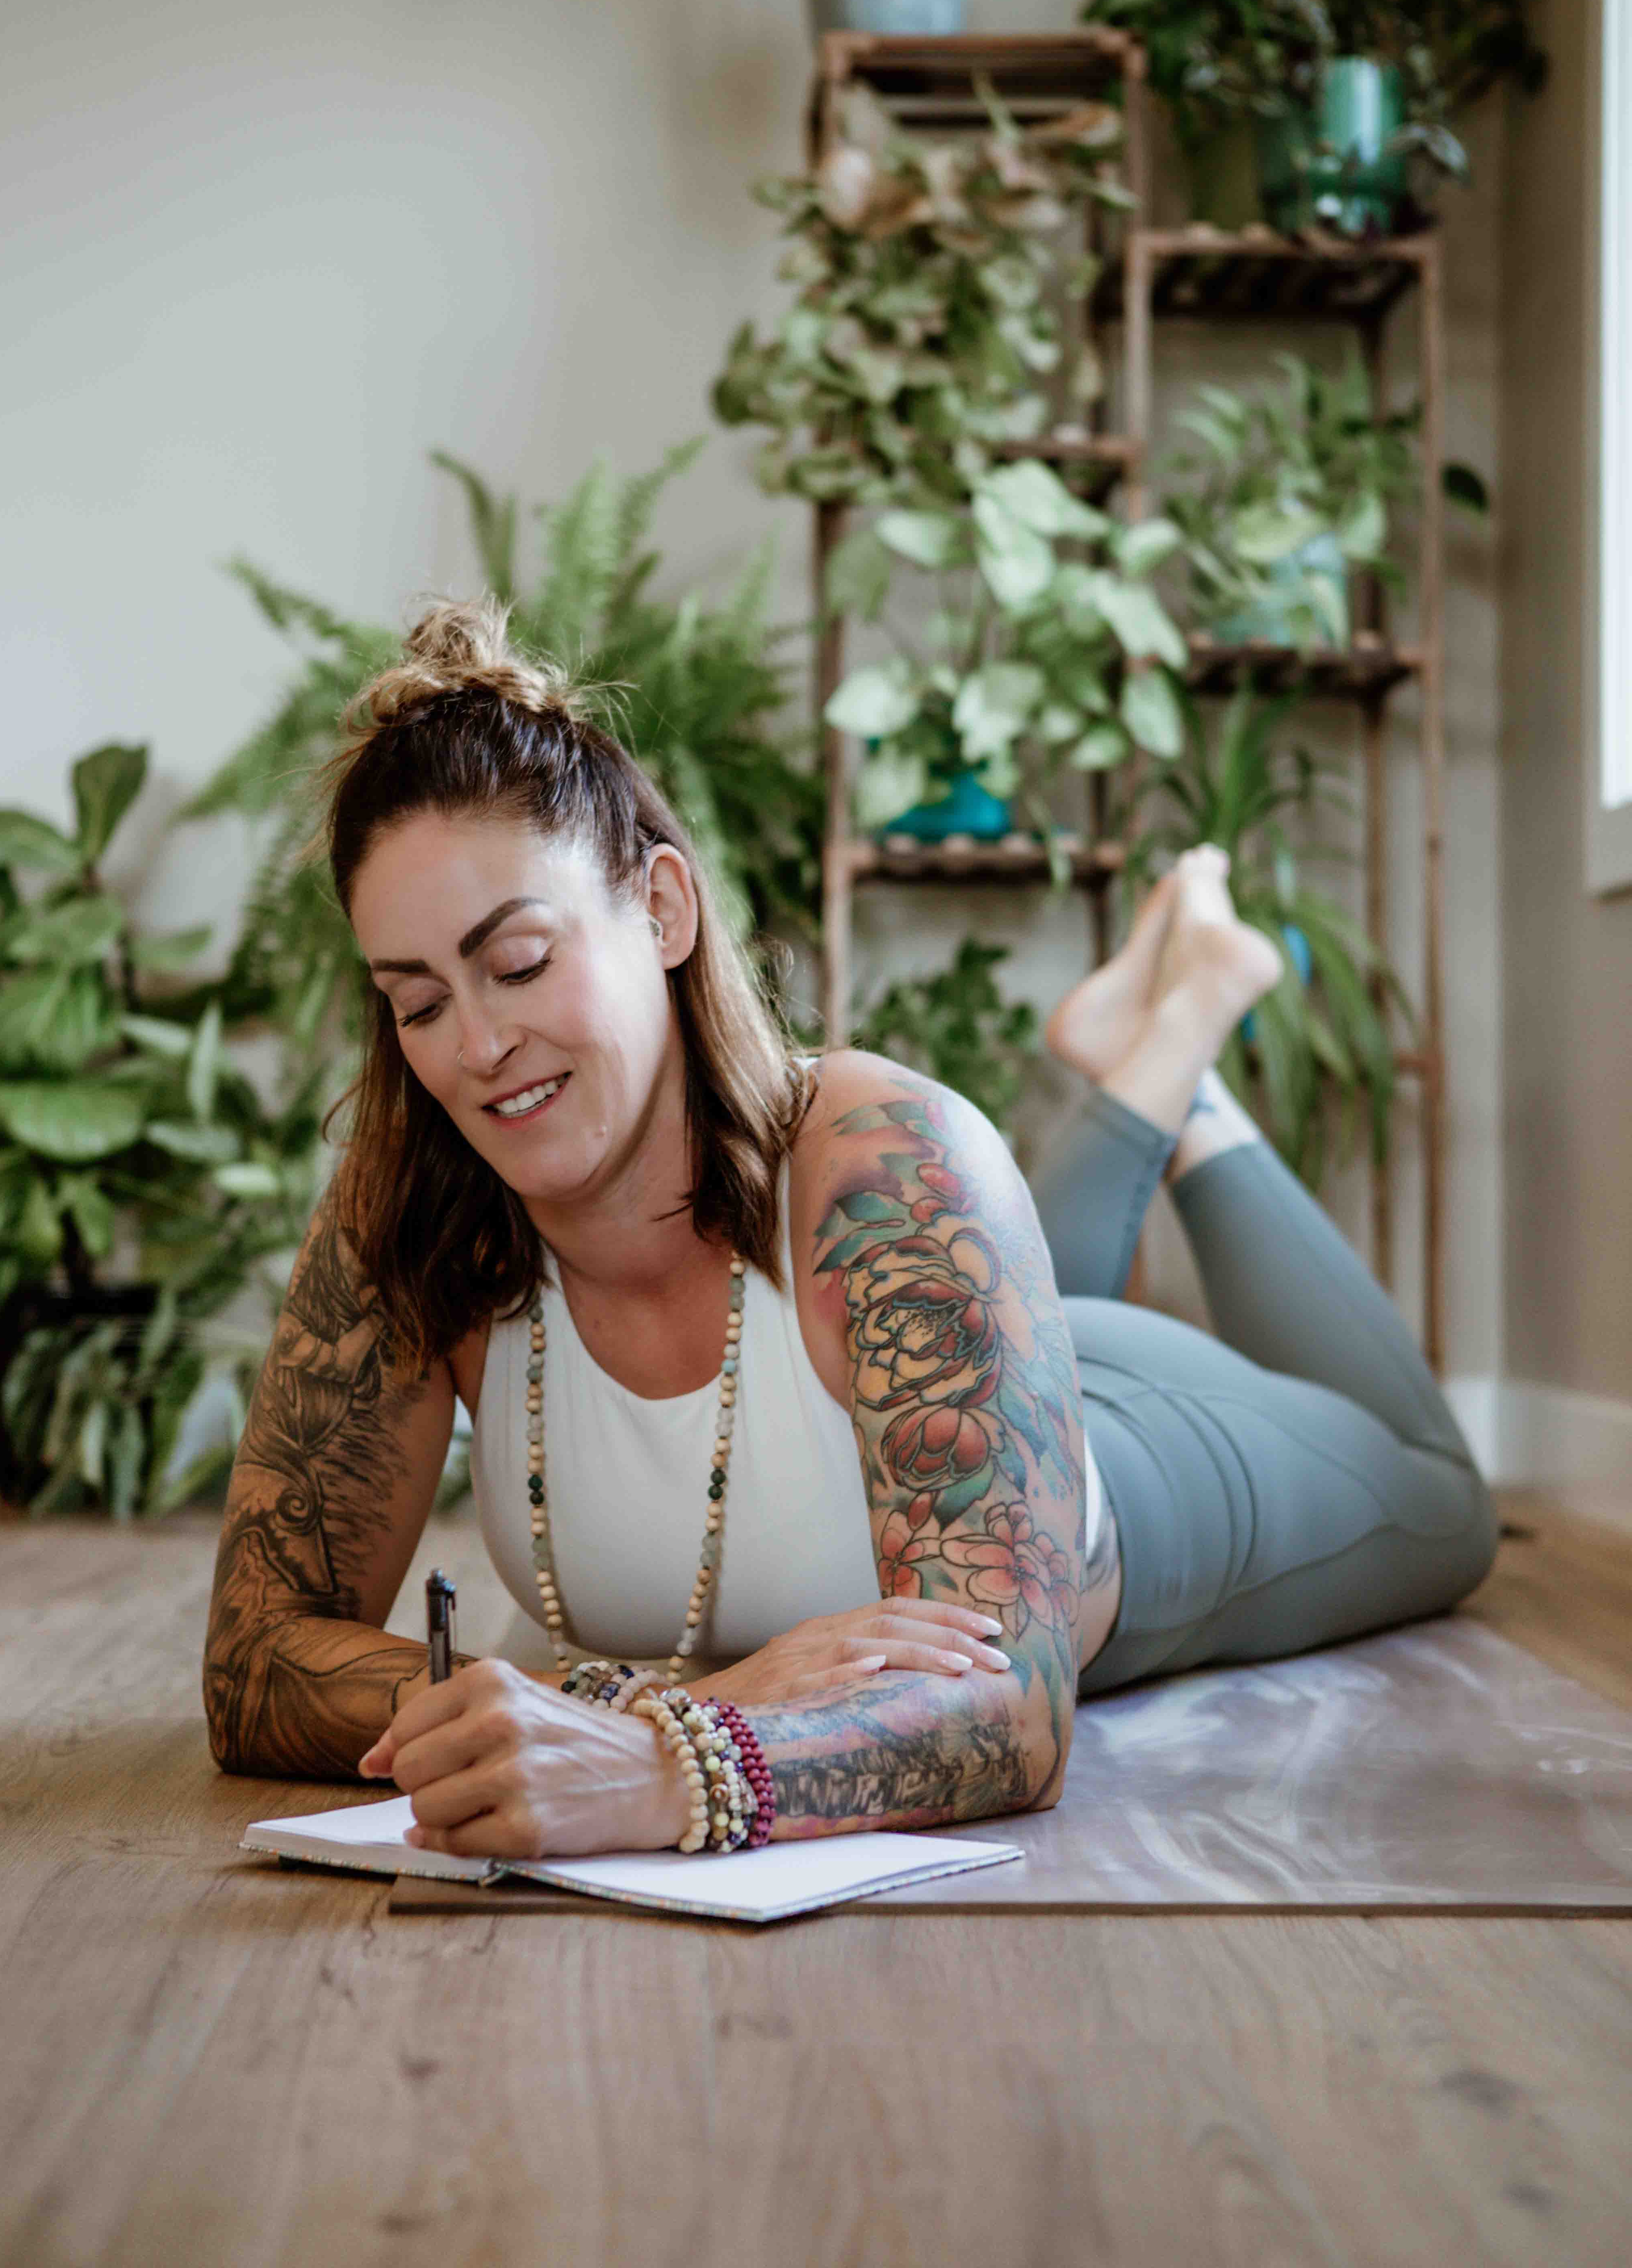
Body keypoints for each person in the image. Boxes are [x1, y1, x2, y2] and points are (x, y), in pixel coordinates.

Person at [203, 603, 1498, 1860]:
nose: (478, 1047)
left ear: (661, 909)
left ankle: (1186, 1079)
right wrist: (598, 1708)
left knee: (1443, 1504)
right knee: (966, 1323)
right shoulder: (414, 1211)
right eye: (417, 1003)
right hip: (937, 1372)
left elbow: (1016, 1709)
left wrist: (670, 1761)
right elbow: (257, 1657)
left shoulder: (886, 1159)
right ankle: (1140, 1071)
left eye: (522, 962)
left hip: (1141, 1448)